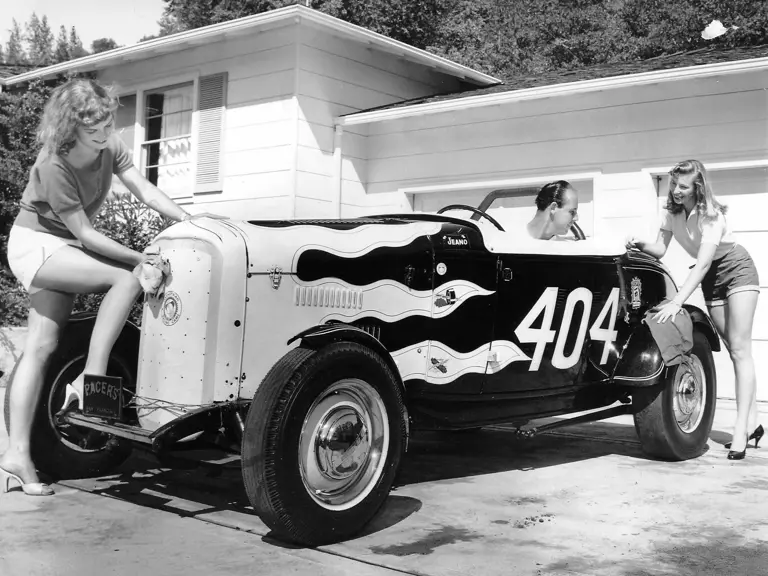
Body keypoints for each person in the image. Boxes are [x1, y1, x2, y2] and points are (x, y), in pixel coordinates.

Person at [1, 78, 226, 495]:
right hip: (36, 245)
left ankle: (16, 455)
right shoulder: (54, 164)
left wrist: (191, 222)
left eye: (108, 124)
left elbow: (145, 190)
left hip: (61, 245)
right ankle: (92, 378)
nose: (105, 135)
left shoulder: (111, 146)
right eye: (94, 130)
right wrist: (138, 258)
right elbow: (86, 234)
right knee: (125, 277)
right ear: (70, 127)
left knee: (42, 346)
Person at [626, 159, 761, 460]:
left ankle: (741, 429)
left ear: (698, 187)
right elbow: (661, 249)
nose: (675, 190)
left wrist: (677, 301)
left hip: (737, 270)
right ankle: (754, 424)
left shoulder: (711, 217)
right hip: (713, 278)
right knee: (733, 347)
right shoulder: (672, 214)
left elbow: (701, 264)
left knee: (740, 348)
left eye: (683, 186)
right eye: (674, 184)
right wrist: (640, 244)